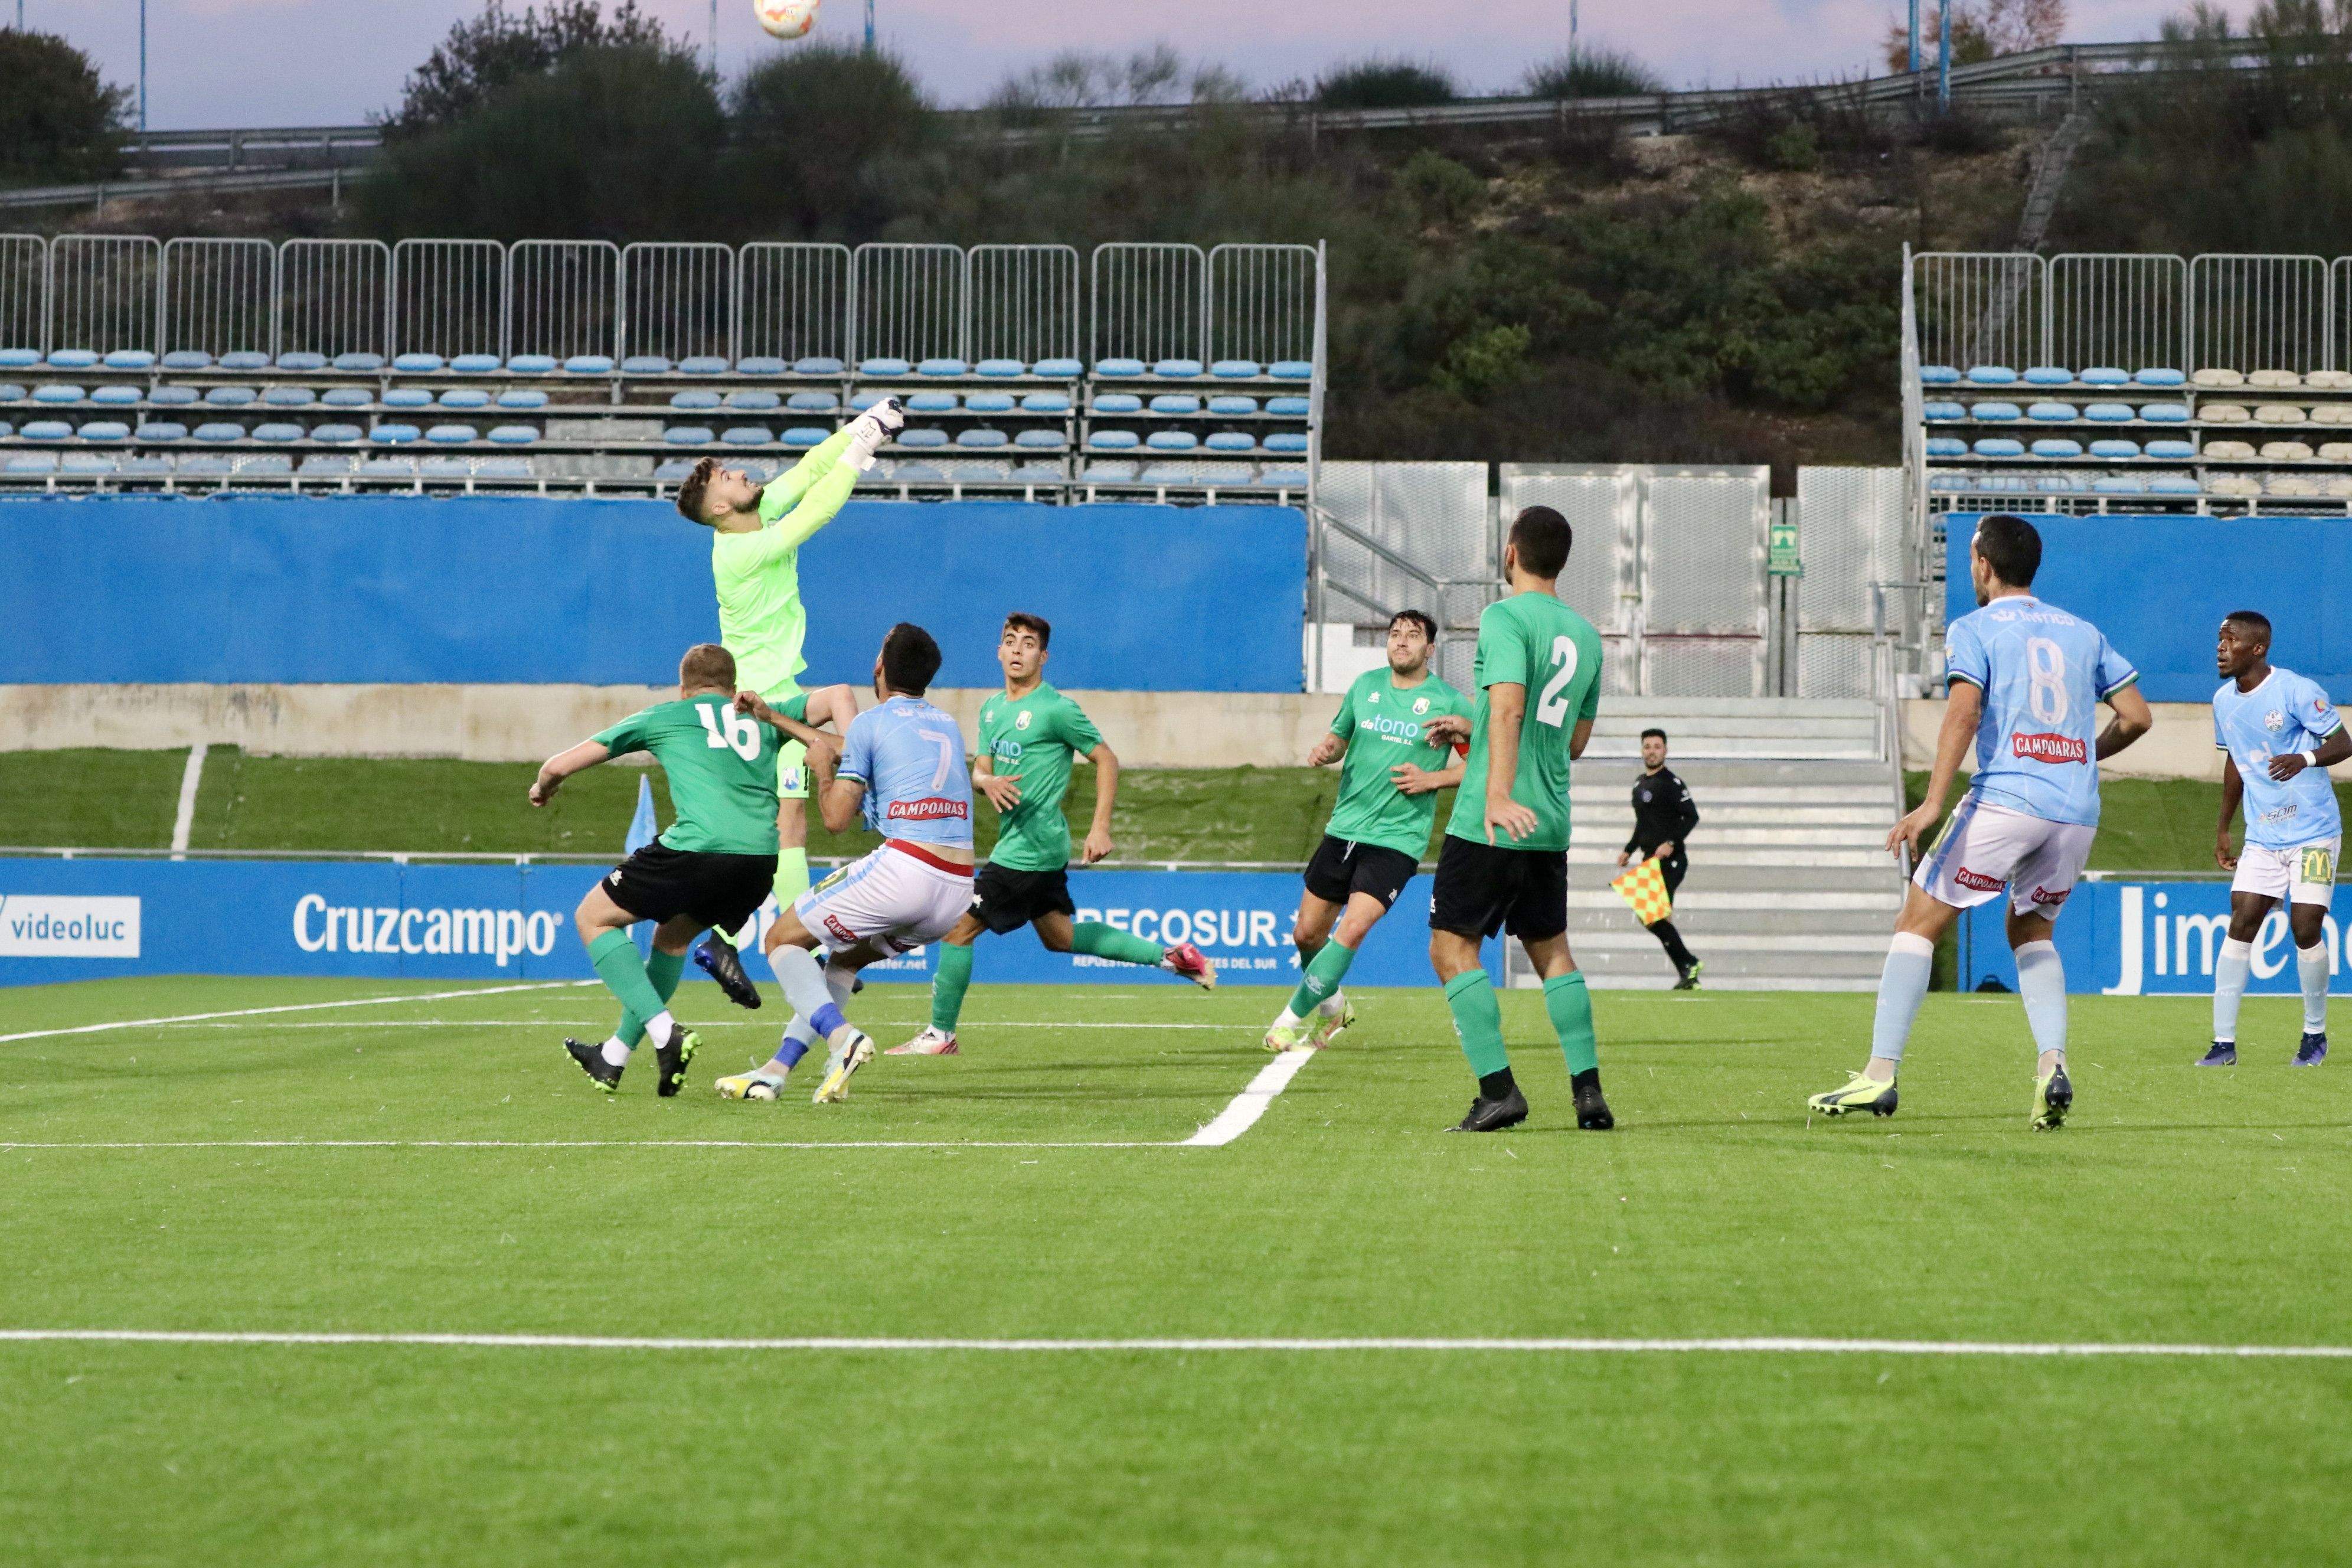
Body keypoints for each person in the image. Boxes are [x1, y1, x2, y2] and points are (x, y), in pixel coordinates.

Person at [1809, 513, 2151, 1129]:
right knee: (2031, 932)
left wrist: (1933, 802)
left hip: (2007, 800)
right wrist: (2080, 754)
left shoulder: (1975, 626)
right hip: (2075, 811)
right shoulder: (2082, 631)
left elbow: (1964, 712)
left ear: (1983, 565)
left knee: (1917, 920)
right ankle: (2052, 1062)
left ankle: (1879, 1076)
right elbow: (2136, 715)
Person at [892, 613, 1216, 1058]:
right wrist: (985, 781)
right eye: (1011, 641)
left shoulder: (1057, 709)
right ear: (1000, 651)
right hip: (1027, 847)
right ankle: (1170, 956)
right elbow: (981, 768)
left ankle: (940, 1034)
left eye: (1029, 644)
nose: (1018, 650)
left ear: (1043, 656)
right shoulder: (991, 709)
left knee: (957, 930)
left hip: (1031, 849)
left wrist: (1100, 826)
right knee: (1060, 937)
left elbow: (1106, 759)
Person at [672, 395, 905, 1007]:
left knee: (787, 823)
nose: (745, 474)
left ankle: (723, 936)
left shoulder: (750, 518)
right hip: (757, 708)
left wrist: (860, 428)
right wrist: (859, 453)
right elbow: (818, 512)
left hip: (776, 698)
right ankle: (789, 940)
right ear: (721, 507)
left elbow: (804, 474)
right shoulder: (742, 550)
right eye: (730, 477)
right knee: (789, 826)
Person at [530, 643, 842, 1097]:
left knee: (592, 918)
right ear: (733, 687)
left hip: (699, 850)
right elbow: (832, 702)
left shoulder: (666, 716)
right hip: (758, 862)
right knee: (671, 938)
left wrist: (543, 787)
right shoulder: (767, 714)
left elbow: (558, 765)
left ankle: (664, 1033)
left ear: (684, 689)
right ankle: (613, 1058)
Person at [714, 623, 980, 1105]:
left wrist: (820, 775)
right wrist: (772, 717)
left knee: (781, 940)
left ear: (880, 665)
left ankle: (844, 1040)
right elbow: (849, 745)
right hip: (956, 889)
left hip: (907, 869)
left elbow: (837, 817)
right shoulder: (944, 724)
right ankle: (775, 1073)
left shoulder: (871, 724)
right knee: (843, 960)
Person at [1421, 507, 1611, 1134]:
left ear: (1511, 554)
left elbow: (1507, 710)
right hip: (1550, 818)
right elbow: (1572, 740)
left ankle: (1498, 1090)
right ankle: (1589, 1094)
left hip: (1492, 819)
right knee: (1552, 951)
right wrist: (1470, 725)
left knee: (1451, 947)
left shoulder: (1503, 617)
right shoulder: (1585, 635)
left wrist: (1497, 793)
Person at [1262, 609, 1468, 1053]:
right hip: (1344, 829)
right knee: (1305, 936)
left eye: (1413, 636)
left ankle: (1288, 1021)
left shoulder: (1449, 703)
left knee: (1350, 931)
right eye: (1395, 634)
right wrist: (1327, 749)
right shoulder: (1365, 687)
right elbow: (1340, 738)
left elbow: (1483, 765)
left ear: (1430, 649)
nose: (1401, 641)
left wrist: (1432, 779)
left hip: (1397, 841)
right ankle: (1334, 1008)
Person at [2202, 610, 2348, 1068]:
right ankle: (2223, 1044)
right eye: (2220, 639)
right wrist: (2225, 827)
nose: (2221, 647)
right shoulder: (2223, 700)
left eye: (2230, 640)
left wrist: (2304, 757)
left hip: (2314, 833)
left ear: (2258, 648)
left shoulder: (2296, 691)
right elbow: (2235, 763)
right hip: (2263, 836)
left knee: (2305, 927)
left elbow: (2344, 742)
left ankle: (2314, 1035)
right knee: (2241, 920)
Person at [1615, 727, 1704, 989]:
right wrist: (1628, 850)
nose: (1652, 751)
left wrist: (1671, 842)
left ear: (1665, 750)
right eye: (1647, 747)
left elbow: (1692, 816)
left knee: (1652, 915)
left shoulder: (1672, 783)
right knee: (1657, 918)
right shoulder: (1639, 784)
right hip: (1649, 860)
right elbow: (1642, 824)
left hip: (1672, 861)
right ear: (1642, 750)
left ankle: (1688, 962)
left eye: (1657, 746)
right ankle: (1689, 973)